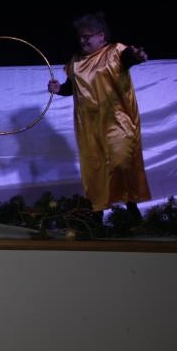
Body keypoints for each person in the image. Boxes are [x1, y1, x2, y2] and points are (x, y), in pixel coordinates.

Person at [48, 12, 150, 223]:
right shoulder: (76, 61)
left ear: (101, 36)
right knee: (95, 168)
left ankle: (131, 207)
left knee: (121, 160)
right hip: (89, 126)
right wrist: (59, 90)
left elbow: (129, 57)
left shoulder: (115, 52)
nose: (82, 41)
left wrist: (137, 57)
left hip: (117, 121)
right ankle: (97, 213)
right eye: (80, 37)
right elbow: (72, 88)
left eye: (87, 36)